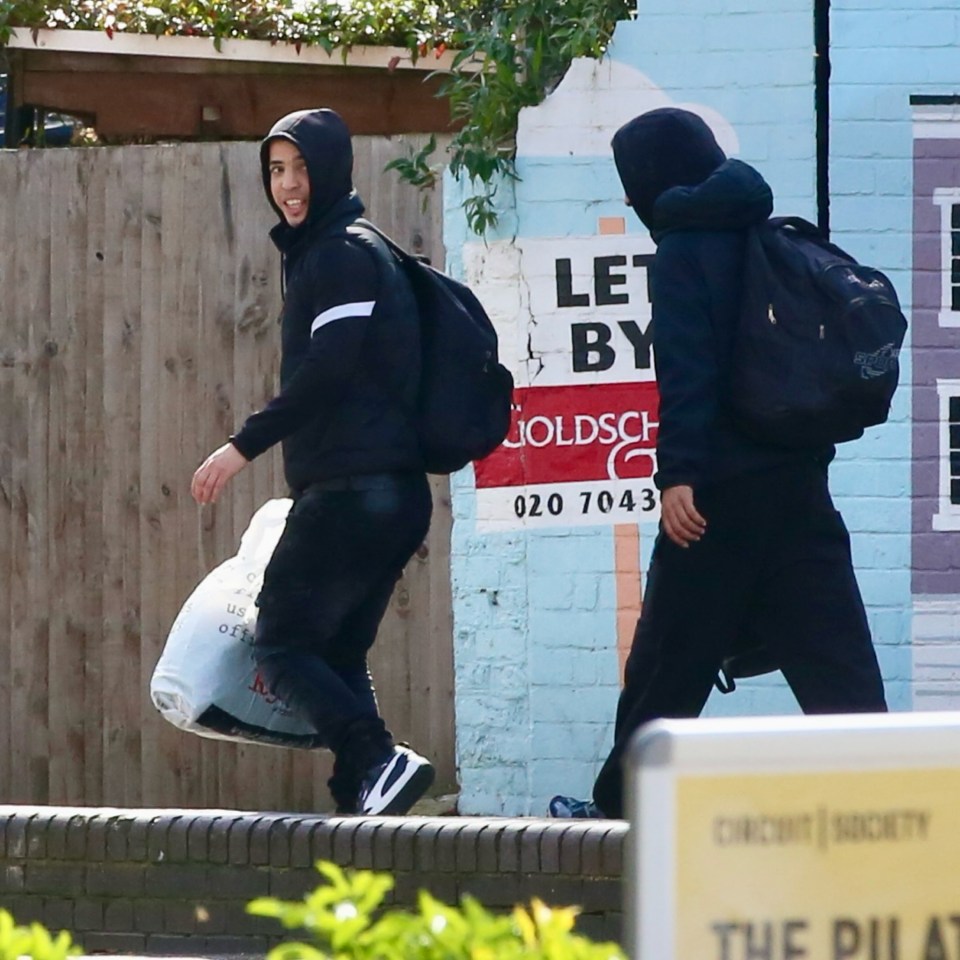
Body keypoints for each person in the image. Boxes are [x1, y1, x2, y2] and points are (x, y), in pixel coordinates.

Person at [549, 107, 888, 820]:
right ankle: (893, 811)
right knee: (840, 672)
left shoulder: (683, 252)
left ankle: (613, 819)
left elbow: (687, 372)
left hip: (718, 502)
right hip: (800, 489)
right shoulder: (768, 231)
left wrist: (678, 475)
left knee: (665, 670)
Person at [190, 107, 435, 816]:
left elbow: (328, 371)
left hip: (357, 494)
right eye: (276, 170)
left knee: (283, 643)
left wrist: (240, 448)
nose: (288, 184)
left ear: (331, 169)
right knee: (335, 652)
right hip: (380, 492)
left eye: (300, 168)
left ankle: (378, 759)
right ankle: (364, 786)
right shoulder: (329, 251)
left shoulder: (341, 253)